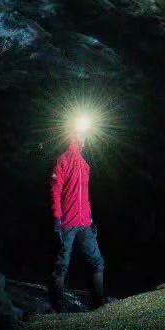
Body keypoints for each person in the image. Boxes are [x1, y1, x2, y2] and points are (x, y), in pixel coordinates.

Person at [49, 123, 105, 312]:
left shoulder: (85, 165)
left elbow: (84, 196)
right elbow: (55, 191)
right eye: (80, 135)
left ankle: (99, 304)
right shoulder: (63, 161)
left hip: (84, 224)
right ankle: (58, 307)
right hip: (67, 223)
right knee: (61, 265)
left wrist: (90, 219)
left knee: (97, 261)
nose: (83, 139)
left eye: (84, 136)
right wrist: (57, 218)